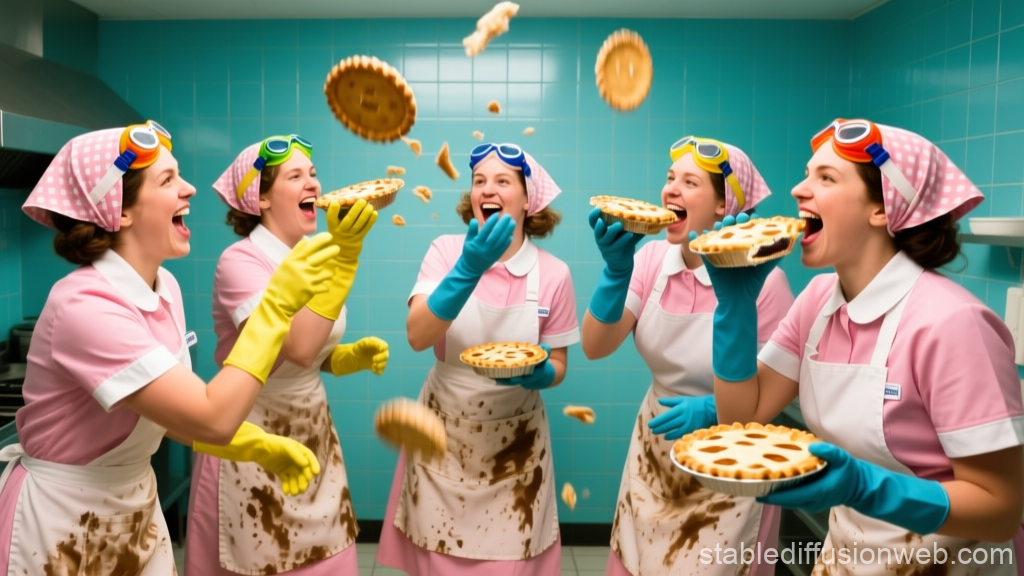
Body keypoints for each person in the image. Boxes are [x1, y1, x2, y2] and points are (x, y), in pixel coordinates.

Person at [3, 123, 337, 574]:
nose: (190, 188)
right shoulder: (84, 305)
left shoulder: (166, 289)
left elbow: (175, 411)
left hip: (136, 506)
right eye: (167, 180)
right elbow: (211, 416)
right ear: (120, 212)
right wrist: (276, 307)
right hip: (63, 524)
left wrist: (254, 444)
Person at [702, 119, 1024, 574]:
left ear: (883, 209)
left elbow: (1001, 510)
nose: (798, 189)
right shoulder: (817, 300)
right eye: (807, 173)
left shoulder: (952, 324)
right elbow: (741, 419)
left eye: (826, 177)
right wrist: (735, 309)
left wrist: (867, 487)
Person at [581, 136, 793, 576]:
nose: (670, 190)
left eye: (689, 182)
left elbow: (780, 387)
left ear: (723, 205)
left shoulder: (764, 285)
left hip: (733, 461)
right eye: (669, 177)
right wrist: (616, 273)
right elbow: (595, 347)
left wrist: (714, 410)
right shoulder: (653, 260)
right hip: (655, 452)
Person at [185, 135, 390, 575]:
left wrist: (344, 357)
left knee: (327, 559)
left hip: (313, 432)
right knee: (261, 557)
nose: (312, 184)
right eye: (295, 176)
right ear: (259, 198)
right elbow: (295, 348)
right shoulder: (240, 261)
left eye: (313, 174)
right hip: (251, 438)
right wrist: (346, 262)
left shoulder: (311, 253)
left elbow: (312, 353)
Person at [375, 143, 579, 575]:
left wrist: (542, 374)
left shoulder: (554, 273)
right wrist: (468, 268)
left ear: (529, 200)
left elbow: (559, 364)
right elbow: (417, 335)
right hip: (443, 435)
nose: (487, 189)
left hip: (518, 446)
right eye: (479, 181)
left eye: (503, 181)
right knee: (439, 558)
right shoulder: (447, 252)